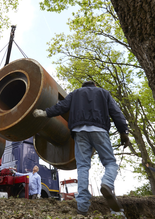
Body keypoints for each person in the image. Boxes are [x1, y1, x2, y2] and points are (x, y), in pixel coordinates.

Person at [32, 80, 129, 216]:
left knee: (83, 166)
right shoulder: (103, 93)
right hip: (99, 130)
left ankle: (82, 207)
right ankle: (107, 183)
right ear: (95, 85)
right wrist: (124, 132)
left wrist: (45, 113)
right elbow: (116, 113)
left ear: (83, 86)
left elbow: (61, 107)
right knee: (110, 163)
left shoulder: (75, 93)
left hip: (79, 132)